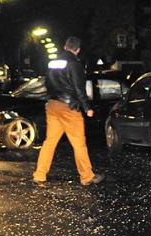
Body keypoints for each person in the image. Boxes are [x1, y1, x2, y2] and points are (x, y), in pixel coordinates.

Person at [33, 36, 104, 186]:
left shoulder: (53, 63)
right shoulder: (75, 64)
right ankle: (87, 176)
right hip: (69, 106)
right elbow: (79, 88)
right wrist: (87, 107)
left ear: (65, 47)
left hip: (52, 105)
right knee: (79, 143)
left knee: (50, 141)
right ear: (77, 50)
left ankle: (39, 174)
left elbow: (47, 83)